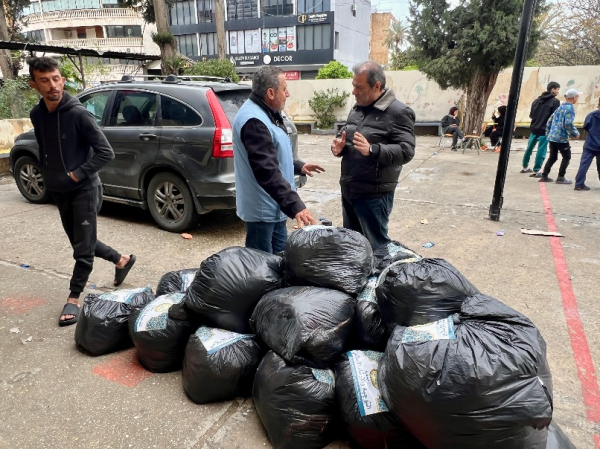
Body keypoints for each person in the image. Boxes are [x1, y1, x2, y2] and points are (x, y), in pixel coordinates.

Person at [27, 57, 135, 327]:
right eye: (45, 80)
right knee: (81, 242)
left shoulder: (78, 114)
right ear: (34, 85)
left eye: (56, 78)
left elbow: (105, 152)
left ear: (63, 79)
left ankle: (74, 298)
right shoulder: (37, 115)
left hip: (85, 189)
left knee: (82, 251)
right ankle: (121, 260)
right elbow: (44, 148)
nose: (53, 85)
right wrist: (49, 176)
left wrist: (76, 174)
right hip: (59, 190)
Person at [232, 65, 324, 254]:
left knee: (281, 260)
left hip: (276, 206)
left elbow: (274, 154)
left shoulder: (268, 112)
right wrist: (296, 206)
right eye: (285, 89)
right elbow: (266, 171)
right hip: (262, 212)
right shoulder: (254, 121)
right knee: (262, 265)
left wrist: (299, 166)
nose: (288, 94)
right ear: (271, 93)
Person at [331, 61, 415, 250]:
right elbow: (346, 133)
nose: (354, 92)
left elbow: (406, 151)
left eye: (359, 87)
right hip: (350, 189)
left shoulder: (399, 112)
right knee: (352, 246)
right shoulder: (357, 108)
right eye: (353, 85)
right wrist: (339, 147)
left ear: (376, 86)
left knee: (376, 248)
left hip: (374, 195)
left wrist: (373, 150)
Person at [539, 88, 582, 184]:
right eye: (577, 96)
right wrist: (575, 133)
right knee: (567, 156)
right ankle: (561, 177)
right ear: (574, 97)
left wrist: (548, 134)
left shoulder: (560, 107)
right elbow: (568, 123)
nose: (577, 98)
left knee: (553, 157)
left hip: (552, 136)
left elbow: (549, 121)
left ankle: (544, 175)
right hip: (561, 137)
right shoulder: (570, 108)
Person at [521, 82, 561, 176]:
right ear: (552, 89)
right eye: (557, 89)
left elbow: (531, 115)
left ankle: (524, 167)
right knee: (541, 149)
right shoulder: (555, 102)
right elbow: (555, 117)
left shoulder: (536, 101)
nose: (558, 91)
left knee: (529, 148)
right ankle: (537, 170)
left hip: (534, 128)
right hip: (545, 129)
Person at [574, 97, 600, 191]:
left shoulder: (591, 115)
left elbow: (586, 126)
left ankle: (579, 184)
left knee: (584, 164)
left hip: (590, 143)